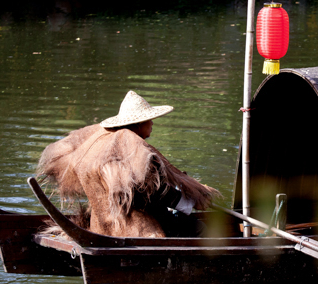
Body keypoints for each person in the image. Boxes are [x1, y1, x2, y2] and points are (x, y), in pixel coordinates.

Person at [37, 91, 219, 237]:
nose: (152, 123)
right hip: (138, 222)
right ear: (139, 124)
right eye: (149, 120)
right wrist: (188, 202)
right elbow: (150, 192)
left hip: (104, 223)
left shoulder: (107, 144)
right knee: (201, 229)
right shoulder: (134, 148)